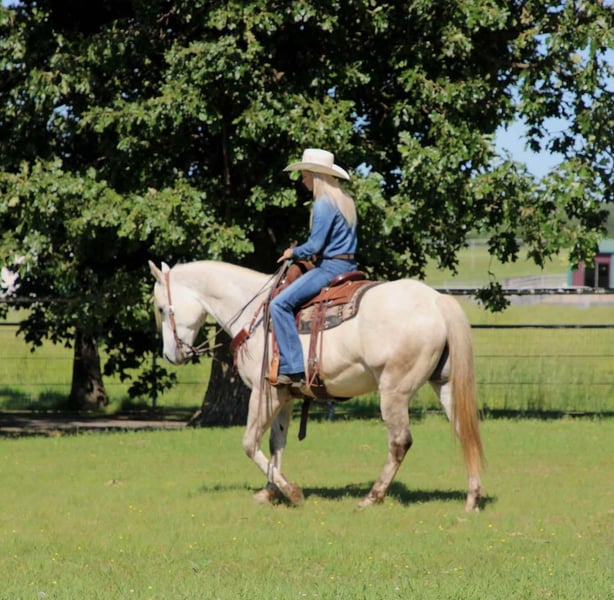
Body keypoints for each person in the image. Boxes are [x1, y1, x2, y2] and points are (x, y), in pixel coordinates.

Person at [270, 148, 358, 386]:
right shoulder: (345, 200)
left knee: (279, 304)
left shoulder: (323, 204)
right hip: (350, 265)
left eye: (305, 176)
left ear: (315, 177)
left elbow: (315, 245)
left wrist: (292, 252)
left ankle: (293, 368)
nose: (303, 181)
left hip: (330, 268)